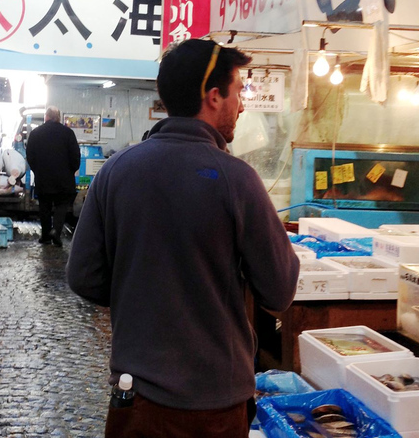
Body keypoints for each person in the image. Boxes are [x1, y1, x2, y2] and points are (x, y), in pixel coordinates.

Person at [66, 39, 300, 437]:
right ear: (213, 96)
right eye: (238, 91)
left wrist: (140, 293)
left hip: (135, 399)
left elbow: (83, 276)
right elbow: (279, 291)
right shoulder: (237, 179)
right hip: (215, 408)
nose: (242, 105)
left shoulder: (115, 170)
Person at [26, 105, 81, 247]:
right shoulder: (68, 133)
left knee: (44, 206)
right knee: (61, 205)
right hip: (64, 180)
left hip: (43, 178)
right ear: (59, 118)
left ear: (46, 117)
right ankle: (56, 231)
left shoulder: (36, 133)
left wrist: (37, 170)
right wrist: (70, 171)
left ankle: (45, 236)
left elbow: (30, 156)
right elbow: (76, 157)